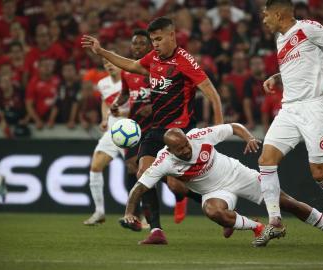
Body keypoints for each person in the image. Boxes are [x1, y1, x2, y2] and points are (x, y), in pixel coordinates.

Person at [82, 17, 223, 244]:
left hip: (180, 132)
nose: (155, 44)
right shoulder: (154, 58)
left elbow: (212, 94)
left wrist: (219, 129)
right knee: (143, 175)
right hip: (156, 130)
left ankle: (224, 214)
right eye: (152, 40)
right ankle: (156, 231)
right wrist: (102, 52)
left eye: (158, 39)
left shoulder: (185, 61)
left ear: (171, 36)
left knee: (178, 184)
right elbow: (131, 65)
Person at [122, 124, 323, 247]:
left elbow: (233, 127)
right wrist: (129, 212)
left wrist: (248, 137)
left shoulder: (198, 136)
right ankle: (258, 227)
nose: (186, 150)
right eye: (181, 150)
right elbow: (140, 188)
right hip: (214, 192)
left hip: (238, 174)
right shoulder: (164, 161)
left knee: (288, 203)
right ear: (170, 151)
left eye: (186, 144)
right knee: (213, 212)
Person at [258, 0, 323, 247]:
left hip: (314, 107)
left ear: (278, 13)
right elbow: (299, 66)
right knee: (266, 160)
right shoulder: (281, 39)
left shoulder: (308, 28)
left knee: (319, 173)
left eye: (265, 14)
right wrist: (277, 77)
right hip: (290, 108)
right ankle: (275, 221)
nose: (263, 19)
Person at [83, 59, 126, 225]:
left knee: (138, 172)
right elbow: (104, 101)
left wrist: (122, 112)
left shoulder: (128, 80)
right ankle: (99, 212)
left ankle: (143, 216)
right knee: (95, 167)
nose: (109, 65)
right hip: (112, 130)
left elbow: (138, 104)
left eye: (112, 63)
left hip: (128, 131)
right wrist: (104, 118)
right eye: (105, 63)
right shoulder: (102, 83)